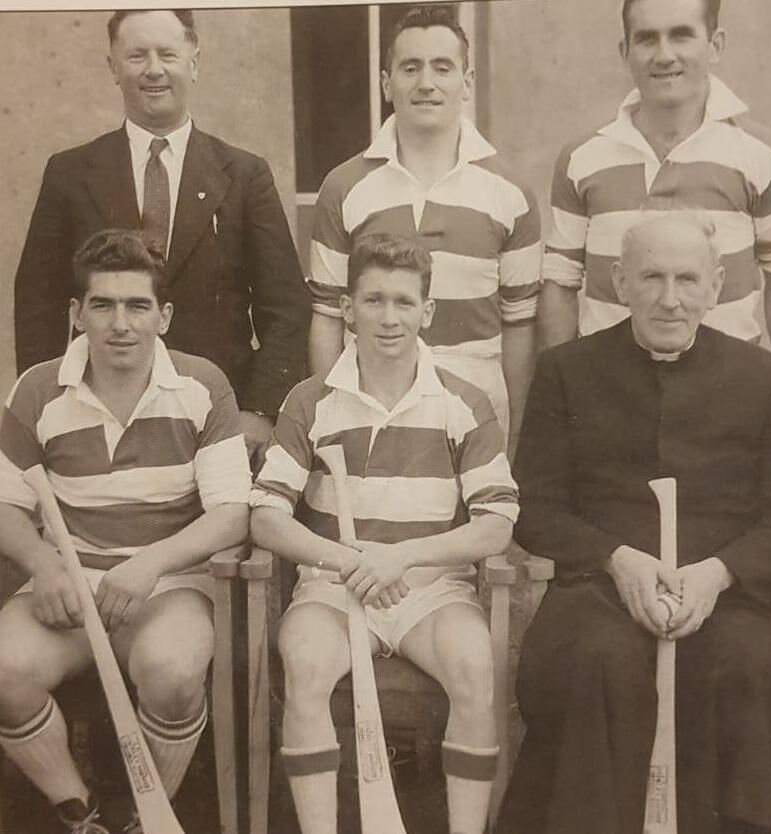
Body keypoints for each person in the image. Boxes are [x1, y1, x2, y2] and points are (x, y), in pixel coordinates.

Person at [496, 212, 771, 834]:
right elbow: (533, 505)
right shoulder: (567, 370)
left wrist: (718, 574)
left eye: (688, 279)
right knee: (595, 662)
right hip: (598, 590)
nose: (670, 299)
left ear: (717, 285)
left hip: (723, 596)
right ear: (619, 281)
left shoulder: (765, 378)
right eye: (651, 277)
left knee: (754, 671)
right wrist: (617, 559)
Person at [251, 233, 518, 834]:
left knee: (476, 665)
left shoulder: (464, 401)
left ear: (427, 311)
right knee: (306, 660)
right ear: (347, 308)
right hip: (331, 588)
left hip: (431, 591)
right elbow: (265, 517)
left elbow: (496, 524)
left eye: (404, 302)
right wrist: (347, 561)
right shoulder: (311, 400)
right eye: (373, 300)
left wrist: (401, 558)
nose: (389, 317)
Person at [0, 229, 252, 834]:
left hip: (166, 585)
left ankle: (147, 816)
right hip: (68, 585)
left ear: (163, 316)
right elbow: (5, 505)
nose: (121, 323)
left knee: (172, 669)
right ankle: (78, 812)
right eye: (103, 305)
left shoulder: (202, 386)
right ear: (76, 313)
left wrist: (151, 564)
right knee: (3, 668)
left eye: (138, 306)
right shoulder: (37, 388)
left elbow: (232, 514)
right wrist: (43, 564)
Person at [14, 9, 309, 465]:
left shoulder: (246, 175)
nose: (153, 69)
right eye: (136, 55)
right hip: (98, 416)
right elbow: (37, 302)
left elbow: (286, 307)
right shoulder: (70, 173)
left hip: (217, 418)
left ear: (193, 61)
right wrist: (46, 409)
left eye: (167, 54)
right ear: (113, 66)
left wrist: (259, 412)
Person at [538, 0, 771, 429]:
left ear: (715, 44)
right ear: (624, 51)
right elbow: (559, 285)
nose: (664, 55)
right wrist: (560, 391)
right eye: (646, 38)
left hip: (728, 402)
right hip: (607, 402)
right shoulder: (581, 159)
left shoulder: (764, 156)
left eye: (681, 35)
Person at [306, 5, 541, 448]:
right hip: (370, 405)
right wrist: (330, 420)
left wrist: (515, 440)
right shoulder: (344, 187)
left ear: (466, 82)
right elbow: (327, 318)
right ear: (386, 82)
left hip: (476, 413)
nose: (426, 83)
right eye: (410, 68)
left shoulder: (512, 193)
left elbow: (520, 328)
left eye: (443, 67)